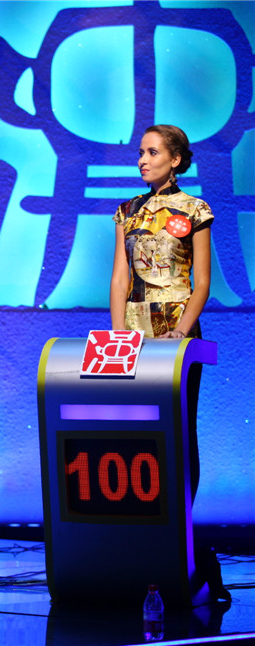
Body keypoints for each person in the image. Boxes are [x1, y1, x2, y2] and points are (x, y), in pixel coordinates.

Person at [109, 124, 228, 601]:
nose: (143, 159)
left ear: (176, 159)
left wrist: (182, 330)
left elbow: (202, 282)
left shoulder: (195, 209)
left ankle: (181, 525)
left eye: (153, 152)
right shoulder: (127, 210)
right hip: (134, 333)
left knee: (178, 430)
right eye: (140, 152)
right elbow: (120, 279)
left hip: (178, 329)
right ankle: (141, 523)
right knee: (135, 432)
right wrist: (118, 333)